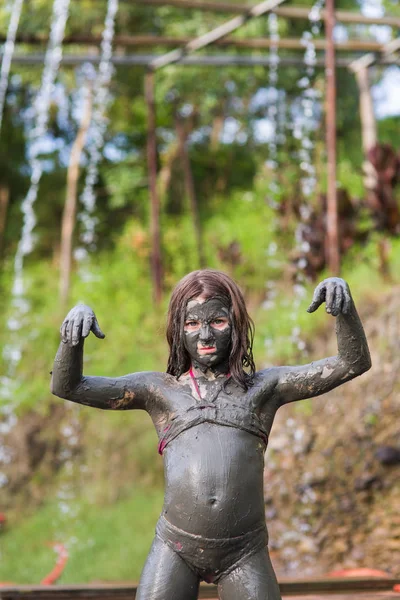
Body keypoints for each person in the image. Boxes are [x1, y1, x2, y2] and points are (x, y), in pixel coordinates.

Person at [51, 269, 371, 600]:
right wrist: (71, 336)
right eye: (191, 324)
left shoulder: (264, 389)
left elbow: (352, 362)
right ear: (178, 331)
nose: (204, 335)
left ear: (236, 324)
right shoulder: (160, 391)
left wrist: (344, 309)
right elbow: (68, 386)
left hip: (244, 551)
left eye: (216, 321)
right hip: (176, 546)